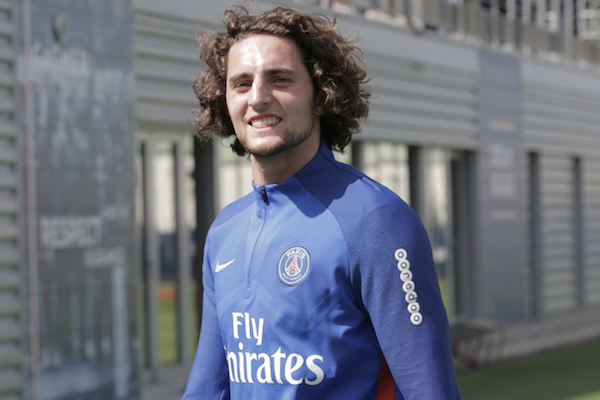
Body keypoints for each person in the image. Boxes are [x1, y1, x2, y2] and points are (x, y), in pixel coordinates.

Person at [182, 5, 462, 400]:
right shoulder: (224, 232)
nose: (257, 97)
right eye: (241, 84)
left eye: (280, 79)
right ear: (225, 101)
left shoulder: (377, 220)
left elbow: (429, 391)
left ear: (320, 94)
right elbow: (207, 391)